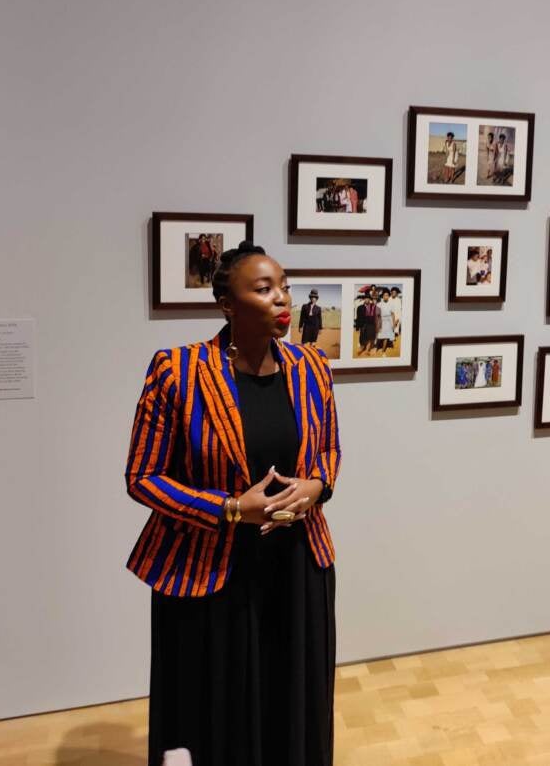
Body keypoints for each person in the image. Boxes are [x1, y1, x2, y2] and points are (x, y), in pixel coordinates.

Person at [125, 241, 341, 765]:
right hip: (208, 574)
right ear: (228, 302)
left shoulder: (311, 366)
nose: (281, 299)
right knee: (213, 706)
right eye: (264, 289)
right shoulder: (178, 371)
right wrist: (229, 509)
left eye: (284, 286)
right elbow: (143, 477)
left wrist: (316, 488)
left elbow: (328, 450)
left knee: (294, 699)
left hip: (295, 568)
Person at [374, 288, 397, 354]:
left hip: (389, 321)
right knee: (379, 336)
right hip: (381, 321)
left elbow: (393, 314)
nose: (386, 297)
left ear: (389, 296)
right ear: (382, 296)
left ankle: (383, 350)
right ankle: (376, 348)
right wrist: (377, 323)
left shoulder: (391, 304)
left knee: (386, 337)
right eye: (384, 295)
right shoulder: (379, 304)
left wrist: (393, 324)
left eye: (387, 295)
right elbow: (377, 315)